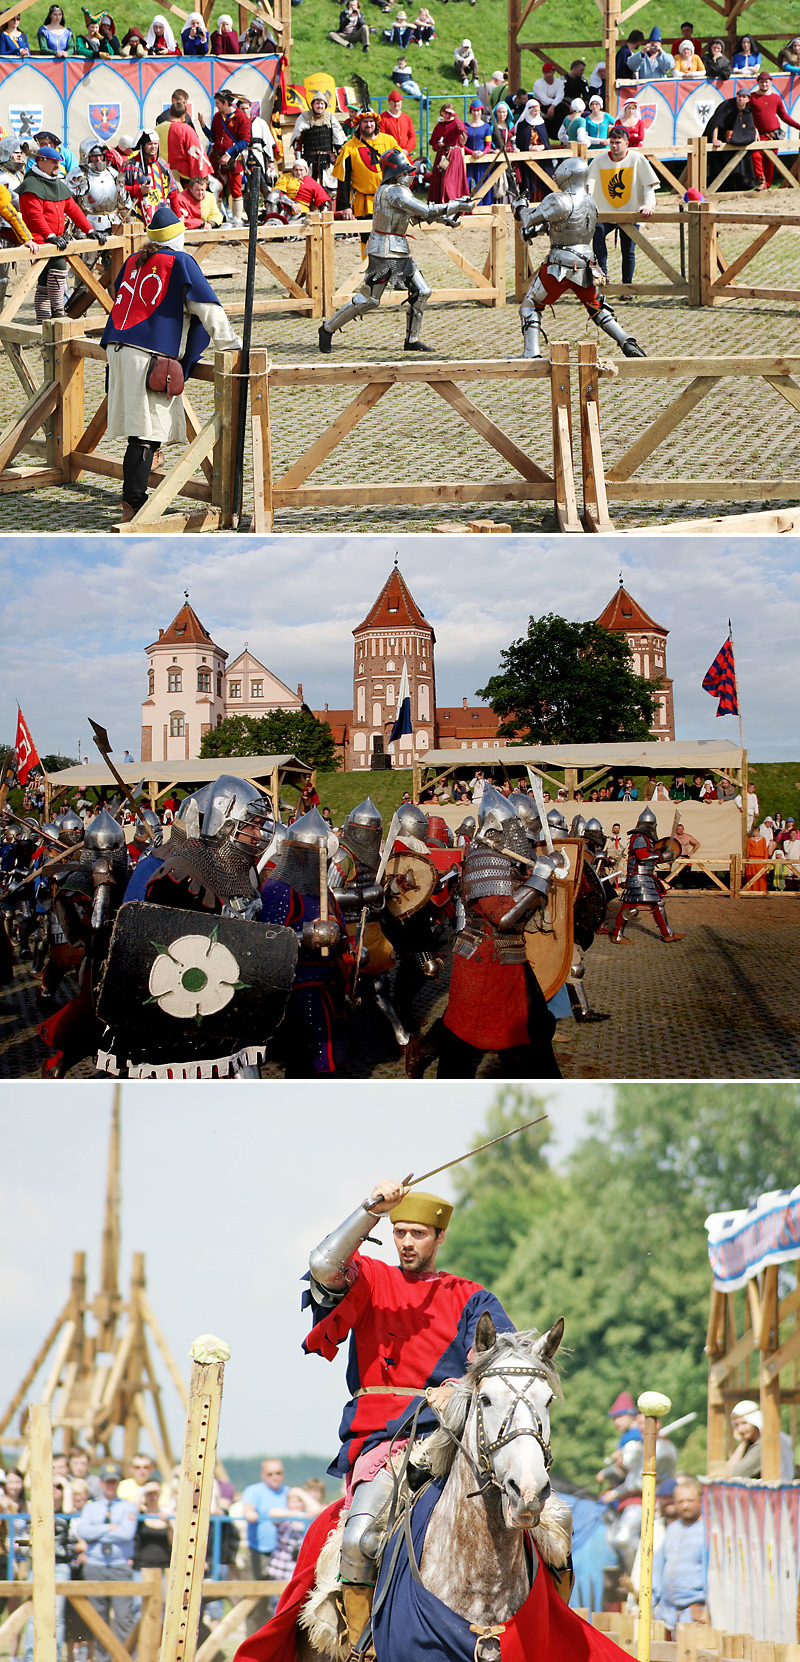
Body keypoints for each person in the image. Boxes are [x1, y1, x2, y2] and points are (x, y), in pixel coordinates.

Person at [302, 1177, 515, 1649]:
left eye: (418, 1234)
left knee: (548, 1525)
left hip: (451, 1438)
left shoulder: (472, 1296)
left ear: (440, 1238)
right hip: (384, 1440)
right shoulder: (371, 1278)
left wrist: (458, 1388)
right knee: (359, 1539)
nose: (406, 1243)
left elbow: (500, 1363)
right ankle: (361, 1646)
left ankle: (539, 1626)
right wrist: (370, 1209)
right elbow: (323, 1264)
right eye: (400, 1233)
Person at [99, 203, 241, 522]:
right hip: (145, 354)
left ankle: (150, 468)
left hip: (117, 348)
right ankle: (133, 506)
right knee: (144, 434)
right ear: (179, 238)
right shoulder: (180, 261)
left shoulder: (136, 259)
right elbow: (208, 308)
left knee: (150, 426)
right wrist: (233, 346)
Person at [322, 146, 471, 355]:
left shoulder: (398, 192)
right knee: (370, 300)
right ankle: (327, 328)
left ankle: (412, 339)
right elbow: (426, 210)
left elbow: (417, 215)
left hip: (400, 250)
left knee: (422, 291)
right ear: (396, 173)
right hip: (383, 252)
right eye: (405, 172)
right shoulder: (393, 191)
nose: (409, 175)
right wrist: (457, 205)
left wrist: (447, 220)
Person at [515, 153, 646, 359]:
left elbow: (527, 219)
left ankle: (531, 353)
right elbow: (564, 226)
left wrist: (520, 206)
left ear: (567, 174)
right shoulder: (589, 201)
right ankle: (627, 342)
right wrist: (538, 229)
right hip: (586, 263)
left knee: (530, 305)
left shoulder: (558, 199)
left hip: (560, 263)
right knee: (597, 307)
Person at [18, 144, 92, 323]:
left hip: (56, 239)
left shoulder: (57, 182)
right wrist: (50, 236)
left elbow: (73, 209)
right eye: (53, 162)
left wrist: (89, 230)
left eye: (58, 162)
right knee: (55, 271)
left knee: (44, 282)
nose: (57, 166)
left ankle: (50, 318)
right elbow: (35, 216)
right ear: (40, 162)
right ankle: (56, 314)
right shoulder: (31, 185)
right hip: (39, 241)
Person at [79, 1460, 139, 1662]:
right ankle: (101, 1659)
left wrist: (97, 1533)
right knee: (98, 1619)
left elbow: (127, 1534)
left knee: (124, 1617)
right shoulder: (91, 1507)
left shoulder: (129, 1507)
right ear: (101, 1483)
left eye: (114, 1482)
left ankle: (126, 1657)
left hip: (119, 1566)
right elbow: (83, 1531)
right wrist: (110, 1528)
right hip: (95, 1566)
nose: (110, 1485)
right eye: (107, 1482)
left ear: (119, 1483)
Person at [589, 125, 658, 296]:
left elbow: (648, 186)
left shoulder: (638, 159)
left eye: (618, 142)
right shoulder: (599, 160)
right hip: (605, 213)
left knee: (628, 251)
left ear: (627, 143)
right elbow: (588, 187)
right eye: (612, 142)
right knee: (597, 236)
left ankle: (626, 288)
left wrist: (648, 205)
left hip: (630, 212)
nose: (614, 146)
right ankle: (603, 280)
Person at [610, 806, 682, 944]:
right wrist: (660, 855)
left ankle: (667, 933)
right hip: (639, 878)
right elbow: (642, 856)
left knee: (652, 903)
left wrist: (660, 853)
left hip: (644, 877)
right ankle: (618, 935)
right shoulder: (640, 838)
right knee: (632, 907)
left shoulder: (644, 838)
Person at [652, 1475, 707, 1630]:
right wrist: (649, 1607)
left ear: (701, 1501)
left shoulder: (708, 1531)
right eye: (680, 1501)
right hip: (666, 1613)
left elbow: (715, 1574)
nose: (685, 1506)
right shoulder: (672, 1529)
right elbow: (657, 1569)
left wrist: (709, 1609)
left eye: (690, 1501)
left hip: (694, 1614)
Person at [242, 1460, 289, 1633]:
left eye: (278, 1473)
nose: (275, 1477)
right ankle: (252, 1643)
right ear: (263, 1475)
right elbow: (248, 1509)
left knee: (284, 1600)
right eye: (270, 1474)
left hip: (283, 1553)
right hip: (259, 1551)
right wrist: (250, 1513)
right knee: (256, 1600)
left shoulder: (288, 1492)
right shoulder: (254, 1491)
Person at [331, 110, 396, 224]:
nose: (369, 124)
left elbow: (401, 171)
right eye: (365, 121)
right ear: (359, 124)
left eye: (371, 121)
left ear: (376, 123)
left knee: (389, 237)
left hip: (387, 200)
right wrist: (345, 206)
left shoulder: (389, 141)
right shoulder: (349, 147)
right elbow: (343, 179)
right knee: (366, 238)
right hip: (363, 203)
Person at [205, 88, 251, 225]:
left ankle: (237, 220)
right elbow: (214, 138)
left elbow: (245, 141)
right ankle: (218, 219)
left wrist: (229, 153)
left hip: (233, 161)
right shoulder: (217, 117)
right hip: (217, 159)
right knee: (215, 189)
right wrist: (203, 127)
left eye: (218, 103)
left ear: (225, 103)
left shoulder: (241, 118)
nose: (216, 106)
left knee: (236, 190)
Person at [749, 71, 800, 189]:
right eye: (761, 82)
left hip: (773, 134)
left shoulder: (776, 98)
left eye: (766, 82)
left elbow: (784, 116)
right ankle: (761, 181)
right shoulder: (752, 97)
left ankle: (767, 185)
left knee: (770, 161)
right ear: (758, 83)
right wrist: (754, 128)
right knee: (755, 155)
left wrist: (798, 126)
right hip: (758, 135)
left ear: (771, 83)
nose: (764, 84)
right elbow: (748, 116)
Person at [122, 129, 179, 227]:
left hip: (163, 216)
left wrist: (178, 216)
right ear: (142, 146)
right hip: (138, 219)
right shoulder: (128, 166)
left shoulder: (163, 165)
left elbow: (172, 192)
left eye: (156, 144)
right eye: (150, 144)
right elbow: (119, 191)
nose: (154, 147)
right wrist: (138, 190)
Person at [705, 89, 757, 188]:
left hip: (735, 140)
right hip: (720, 138)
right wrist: (714, 139)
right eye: (739, 96)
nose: (741, 99)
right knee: (718, 165)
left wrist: (755, 131)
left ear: (748, 99)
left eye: (744, 97)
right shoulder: (727, 105)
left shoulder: (747, 110)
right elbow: (716, 123)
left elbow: (748, 124)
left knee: (739, 162)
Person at [291, 91, 345, 186]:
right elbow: (298, 141)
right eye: (317, 103)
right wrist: (299, 161)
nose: (319, 106)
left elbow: (338, 139)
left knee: (330, 190)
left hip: (327, 160)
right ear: (312, 105)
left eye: (322, 103)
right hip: (309, 161)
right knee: (307, 188)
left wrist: (340, 158)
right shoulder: (304, 117)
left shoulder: (330, 117)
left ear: (325, 105)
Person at [428, 103, 468, 202]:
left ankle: (452, 204)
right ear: (441, 113)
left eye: (449, 113)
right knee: (440, 181)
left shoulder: (456, 123)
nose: (447, 115)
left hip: (454, 156)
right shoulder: (439, 126)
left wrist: (455, 115)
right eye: (445, 113)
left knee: (449, 181)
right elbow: (433, 145)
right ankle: (441, 205)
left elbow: (461, 129)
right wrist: (438, 145)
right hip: (442, 155)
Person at [532, 61, 566, 138]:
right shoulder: (538, 84)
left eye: (550, 72)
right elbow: (544, 100)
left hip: (554, 105)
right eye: (546, 73)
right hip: (542, 106)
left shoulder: (559, 82)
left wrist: (552, 106)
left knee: (563, 109)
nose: (548, 75)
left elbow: (560, 95)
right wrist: (555, 103)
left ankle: (562, 133)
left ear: (553, 72)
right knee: (560, 107)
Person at [379, 89, 417, 157]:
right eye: (394, 102)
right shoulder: (382, 118)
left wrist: (406, 150)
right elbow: (382, 138)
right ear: (389, 102)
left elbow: (412, 136)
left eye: (398, 101)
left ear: (401, 102)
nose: (396, 104)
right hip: (390, 156)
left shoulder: (406, 117)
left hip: (405, 156)